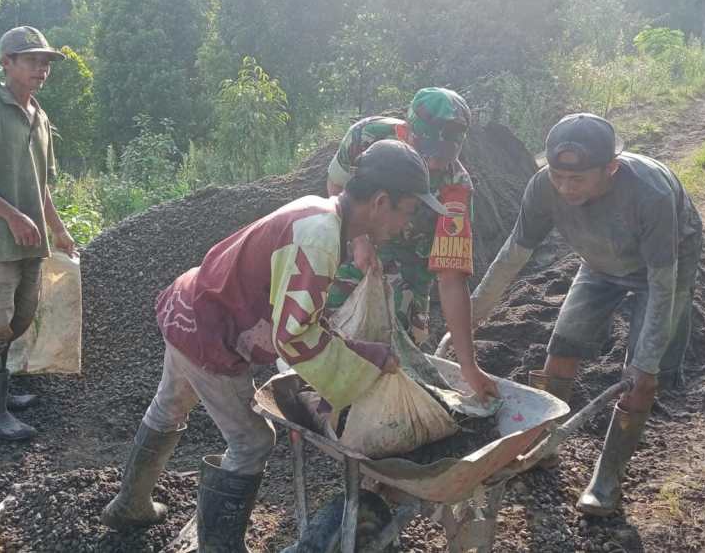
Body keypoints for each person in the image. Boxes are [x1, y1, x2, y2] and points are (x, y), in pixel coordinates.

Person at [101, 140, 451, 550]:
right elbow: (294, 337)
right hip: (212, 332)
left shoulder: (322, 212)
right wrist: (371, 357)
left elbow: (296, 314)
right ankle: (218, 548)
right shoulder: (320, 238)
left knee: (169, 405)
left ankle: (129, 504)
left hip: (193, 304)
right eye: (407, 211)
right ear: (380, 201)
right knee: (252, 442)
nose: (406, 225)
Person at [471, 113, 703, 516]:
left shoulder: (649, 194)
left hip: (665, 265)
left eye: (576, 179)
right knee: (561, 348)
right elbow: (511, 258)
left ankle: (608, 479)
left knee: (642, 377)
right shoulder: (544, 188)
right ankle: (545, 448)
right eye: (557, 175)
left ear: (611, 168)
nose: (564, 187)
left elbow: (663, 284)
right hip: (598, 263)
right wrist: (466, 322)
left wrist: (645, 363)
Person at [325, 87, 498, 401]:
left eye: (442, 157)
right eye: (426, 152)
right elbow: (336, 184)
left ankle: (386, 406)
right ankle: (328, 391)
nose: (432, 164)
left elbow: (451, 280)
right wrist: (361, 241)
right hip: (359, 231)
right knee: (332, 316)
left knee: (400, 342)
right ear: (406, 132)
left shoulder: (455, 189)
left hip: (411, 257)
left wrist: (468, 366)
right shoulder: (367, 137)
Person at [0, 26, 77, 441]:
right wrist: (11, 216)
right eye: (31, 60)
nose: (41, 68)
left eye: (46, 62)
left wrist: (57, 229)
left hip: (32, 240)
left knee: (21, 318)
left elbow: (40, 184)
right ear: (6, 62)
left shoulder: (40, 116)